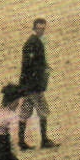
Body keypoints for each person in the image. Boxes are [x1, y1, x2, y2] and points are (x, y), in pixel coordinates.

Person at [17, 19, 57, 150]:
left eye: (43, 29)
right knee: (43, 111)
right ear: (34, 28)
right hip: (34, 86)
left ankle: (21, 142)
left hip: (28, 86)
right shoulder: (33, 43)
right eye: (39, 28)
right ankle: (44, 140)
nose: (41, 31)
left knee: (25, 112)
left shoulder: (32, 42)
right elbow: (29, 65)